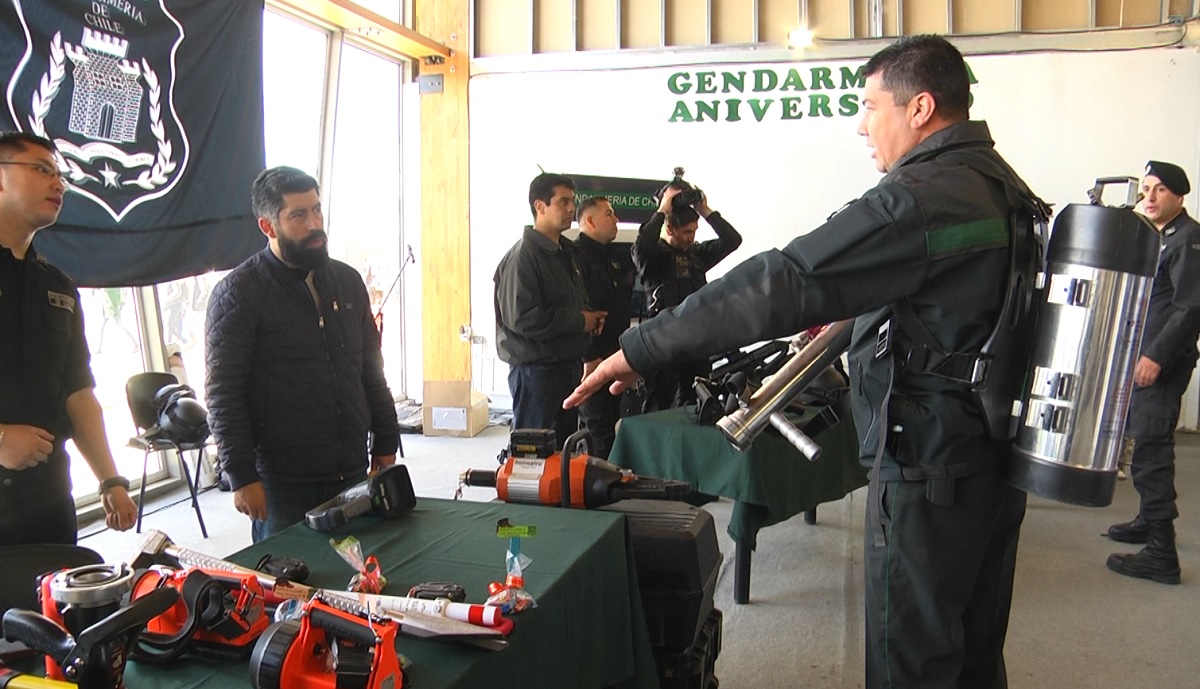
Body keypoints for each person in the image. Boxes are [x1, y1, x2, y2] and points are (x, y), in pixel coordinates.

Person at [565, 35, 1047, 688]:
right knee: (973, 651)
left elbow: (783, 281)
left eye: (871, 105)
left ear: (921, 107)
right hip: (992, 459)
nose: (860, 123)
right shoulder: (1002, 183)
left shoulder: (922, 197)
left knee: (914, 657)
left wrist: (641, 345)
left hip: (930, 468)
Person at [205, 166, 400, 542]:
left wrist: (386, 438)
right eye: (298, 215)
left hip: (352, 469)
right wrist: (241, 475)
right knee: (290, 591)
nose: (314, 224)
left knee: (359, 580)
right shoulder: (238, 295)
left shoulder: (346, 281)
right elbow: (223, 393)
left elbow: (371, 368)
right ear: (268, 226)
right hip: (283, 485)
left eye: (316, 210)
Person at [0, 130, 137, 545]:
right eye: (41, 170)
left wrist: (110, 479)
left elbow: (78, 392)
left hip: (49, 500)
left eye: (60, 175)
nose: (58, 184)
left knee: (51, 609)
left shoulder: (56, 285)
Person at [1105, 160, 1200, 585]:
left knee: (1150, 450)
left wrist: (1156, 356)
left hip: (1163, 361)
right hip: (1148, 355)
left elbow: (1188, 308)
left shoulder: (1189, 241)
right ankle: (1148, 519)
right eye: (1146, 188)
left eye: (1160, 189)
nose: (1149, 196)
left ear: (1180, 196)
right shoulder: (1161, 237)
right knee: (1146, 440)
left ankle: (1162, 553)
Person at [494, 173, 605, 446]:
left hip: (565, 366)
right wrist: (580, 320)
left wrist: (589, 320)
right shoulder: (523, 257)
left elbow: (569, 302)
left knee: (561, 452)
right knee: (532, 454)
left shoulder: (566, 252)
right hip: (536, 373)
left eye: (573, 201)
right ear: (539, 206)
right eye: (563, 201)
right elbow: (524, 319)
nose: (571, 209)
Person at [633, 185, 741, 411]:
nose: (691, 238)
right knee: (659, 406)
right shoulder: (653, 259)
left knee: (697, 403)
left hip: (696, 340)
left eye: (694, 232)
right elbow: (641, 245)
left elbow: (732, 240)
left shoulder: (697, 255)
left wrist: (704, 209)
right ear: (669, 229)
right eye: (686, 232)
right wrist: (662, 210)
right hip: (663, 342)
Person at [574, 196, 635, 458]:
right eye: (609, 214)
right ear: (590, 220)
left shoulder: (613, 256)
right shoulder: (575, 257)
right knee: (599, 429)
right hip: (591, 358)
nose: (616, 219)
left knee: (608, 422)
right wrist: (590, 356)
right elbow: (581, 312)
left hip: (614, 353)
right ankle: (598, 489)